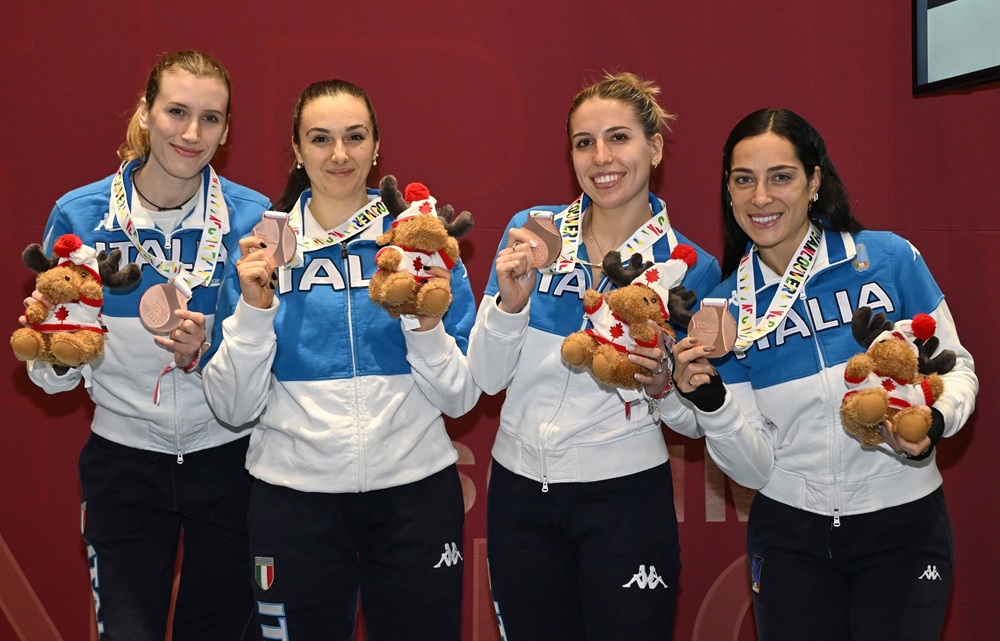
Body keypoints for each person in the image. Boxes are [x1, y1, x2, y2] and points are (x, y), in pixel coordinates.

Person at [671, 108, 978, 641]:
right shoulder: (723, 310)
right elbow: (753, 470)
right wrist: (713, 405)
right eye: (743, 180)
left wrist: (935, 421)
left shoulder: (886, 257)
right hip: (790, 535)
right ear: (728, 190)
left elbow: (958, 367)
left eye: (780, 177)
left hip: (902, 523)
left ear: (814, 181)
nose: (760, 198)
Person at [201, 79, 478, 641]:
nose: (339, 154)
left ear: (377, 147)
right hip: (292, 500)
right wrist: (254, 311)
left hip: (414, 495)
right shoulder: (260, 250)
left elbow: (461, 397)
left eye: (355, 137)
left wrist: (422, 322)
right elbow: (232, 409)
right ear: (297, 150)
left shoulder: (419, 241)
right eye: (320, 138)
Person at [20, 50, 270, 640]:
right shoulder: (80, 214)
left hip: (230, 460)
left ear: (226, 130)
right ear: (145, 113)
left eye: (210, 118)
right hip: (124, 464)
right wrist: (60, 353)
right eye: (176, 111)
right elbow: (48, 375)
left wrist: (205, 355)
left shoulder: (253, 217)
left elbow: (265, 355)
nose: (192, 133)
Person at [468, 72, 721, 640]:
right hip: (519, 495)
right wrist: (510, 307)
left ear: (655, 148)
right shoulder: (531, 233)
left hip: (624, 499)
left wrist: (661, 386)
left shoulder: (692, 268)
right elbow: (485, 378)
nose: (601, 158)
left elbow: (697, 420)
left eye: (618, 138)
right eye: (584, 143)